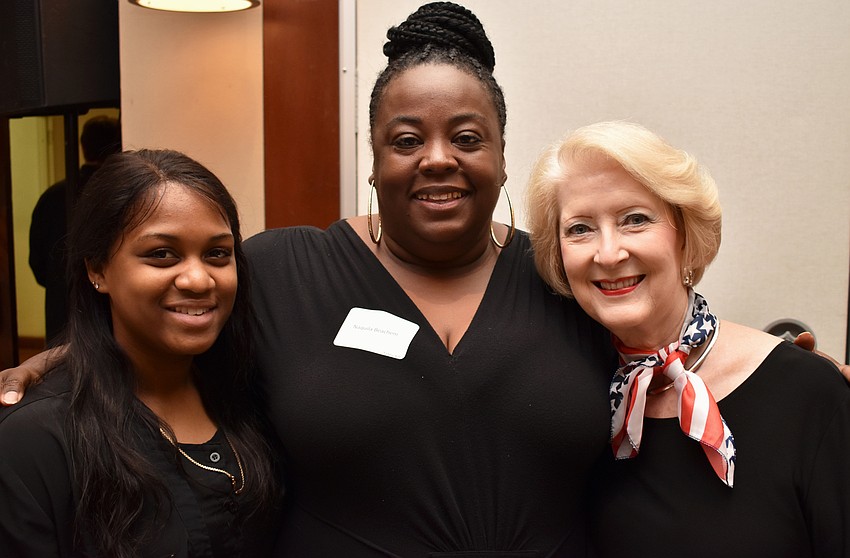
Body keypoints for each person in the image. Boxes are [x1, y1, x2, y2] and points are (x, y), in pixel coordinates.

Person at [1, 4, 847, 557]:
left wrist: (794, 373)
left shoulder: (559, 275)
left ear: (503, 156)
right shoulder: (282, 270)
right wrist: (58, 363)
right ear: (372, 159)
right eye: (405, 139)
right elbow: (172, 333)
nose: (437, 158)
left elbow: (662, 344)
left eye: (467, 137)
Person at [525, 120, 850, 557]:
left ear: (685, 234)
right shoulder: (570, 407)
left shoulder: (809, 392)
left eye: (635, 220)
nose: (608, 253)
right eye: (580, 228)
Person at [0, 149, 281, 557]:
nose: (199, 279)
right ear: (97, 269)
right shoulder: (36, 439)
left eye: (217, 254)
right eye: (161, 254)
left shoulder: (254, 390)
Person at [28, 114, 122, 344]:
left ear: (82, 146)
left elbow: (37, 261)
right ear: (117, 145)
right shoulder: (120, 195)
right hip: (106, 310)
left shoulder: (52, 195)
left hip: (61, 308)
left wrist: (61, 281)